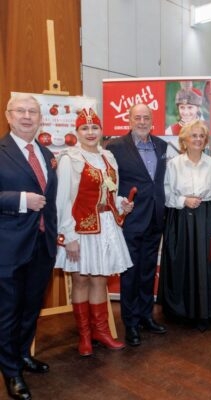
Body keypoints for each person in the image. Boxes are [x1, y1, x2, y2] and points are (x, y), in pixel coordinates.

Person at [56, 108, 134, 356]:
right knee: (81, 279)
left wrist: (121, 203)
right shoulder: (70, 158)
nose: (90, 132)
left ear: (101, 130)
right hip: (79, 228)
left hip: (106, 226)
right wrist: (68, 236)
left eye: (94, 127)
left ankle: (101, 331)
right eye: (84, 128)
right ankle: (85, 336)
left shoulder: (108, 156)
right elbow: (63, 200)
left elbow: (111, 192)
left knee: (100, 279)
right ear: (77, 132)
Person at [0, 94, 58, 400]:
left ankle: (23, 354)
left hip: (42, 246)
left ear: (40, 118)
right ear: (8, 116)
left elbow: (51, 201)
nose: (26, 116)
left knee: (31, 308)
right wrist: (22, 200)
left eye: (32, 111)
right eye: (20, 111)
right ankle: (11, 372)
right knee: (8, 313)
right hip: (9, 248)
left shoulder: (46, 153)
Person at [107, 103, 168, 347]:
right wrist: (120, 204)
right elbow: (110, 183)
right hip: (130, 219)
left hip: (155, 218)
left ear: (152, 121)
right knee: (130, 274)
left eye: (146, 118)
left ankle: (145, 317)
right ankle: (130, 323)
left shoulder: (161, 145)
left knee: (147, 271)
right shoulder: (115, 147)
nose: (142, 122)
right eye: (137, 118)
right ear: (129, 120)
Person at [158, 120, 211, 332]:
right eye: (193, 135)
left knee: (205, 264)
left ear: (206, 141)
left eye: (201, 136)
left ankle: (204, 312)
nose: (198, 139)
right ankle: (180, 311)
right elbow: (166, 193)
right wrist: (183, 200)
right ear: (184, 140)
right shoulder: (174, 164)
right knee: (181, 262)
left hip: (206, 217)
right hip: (180, 217)